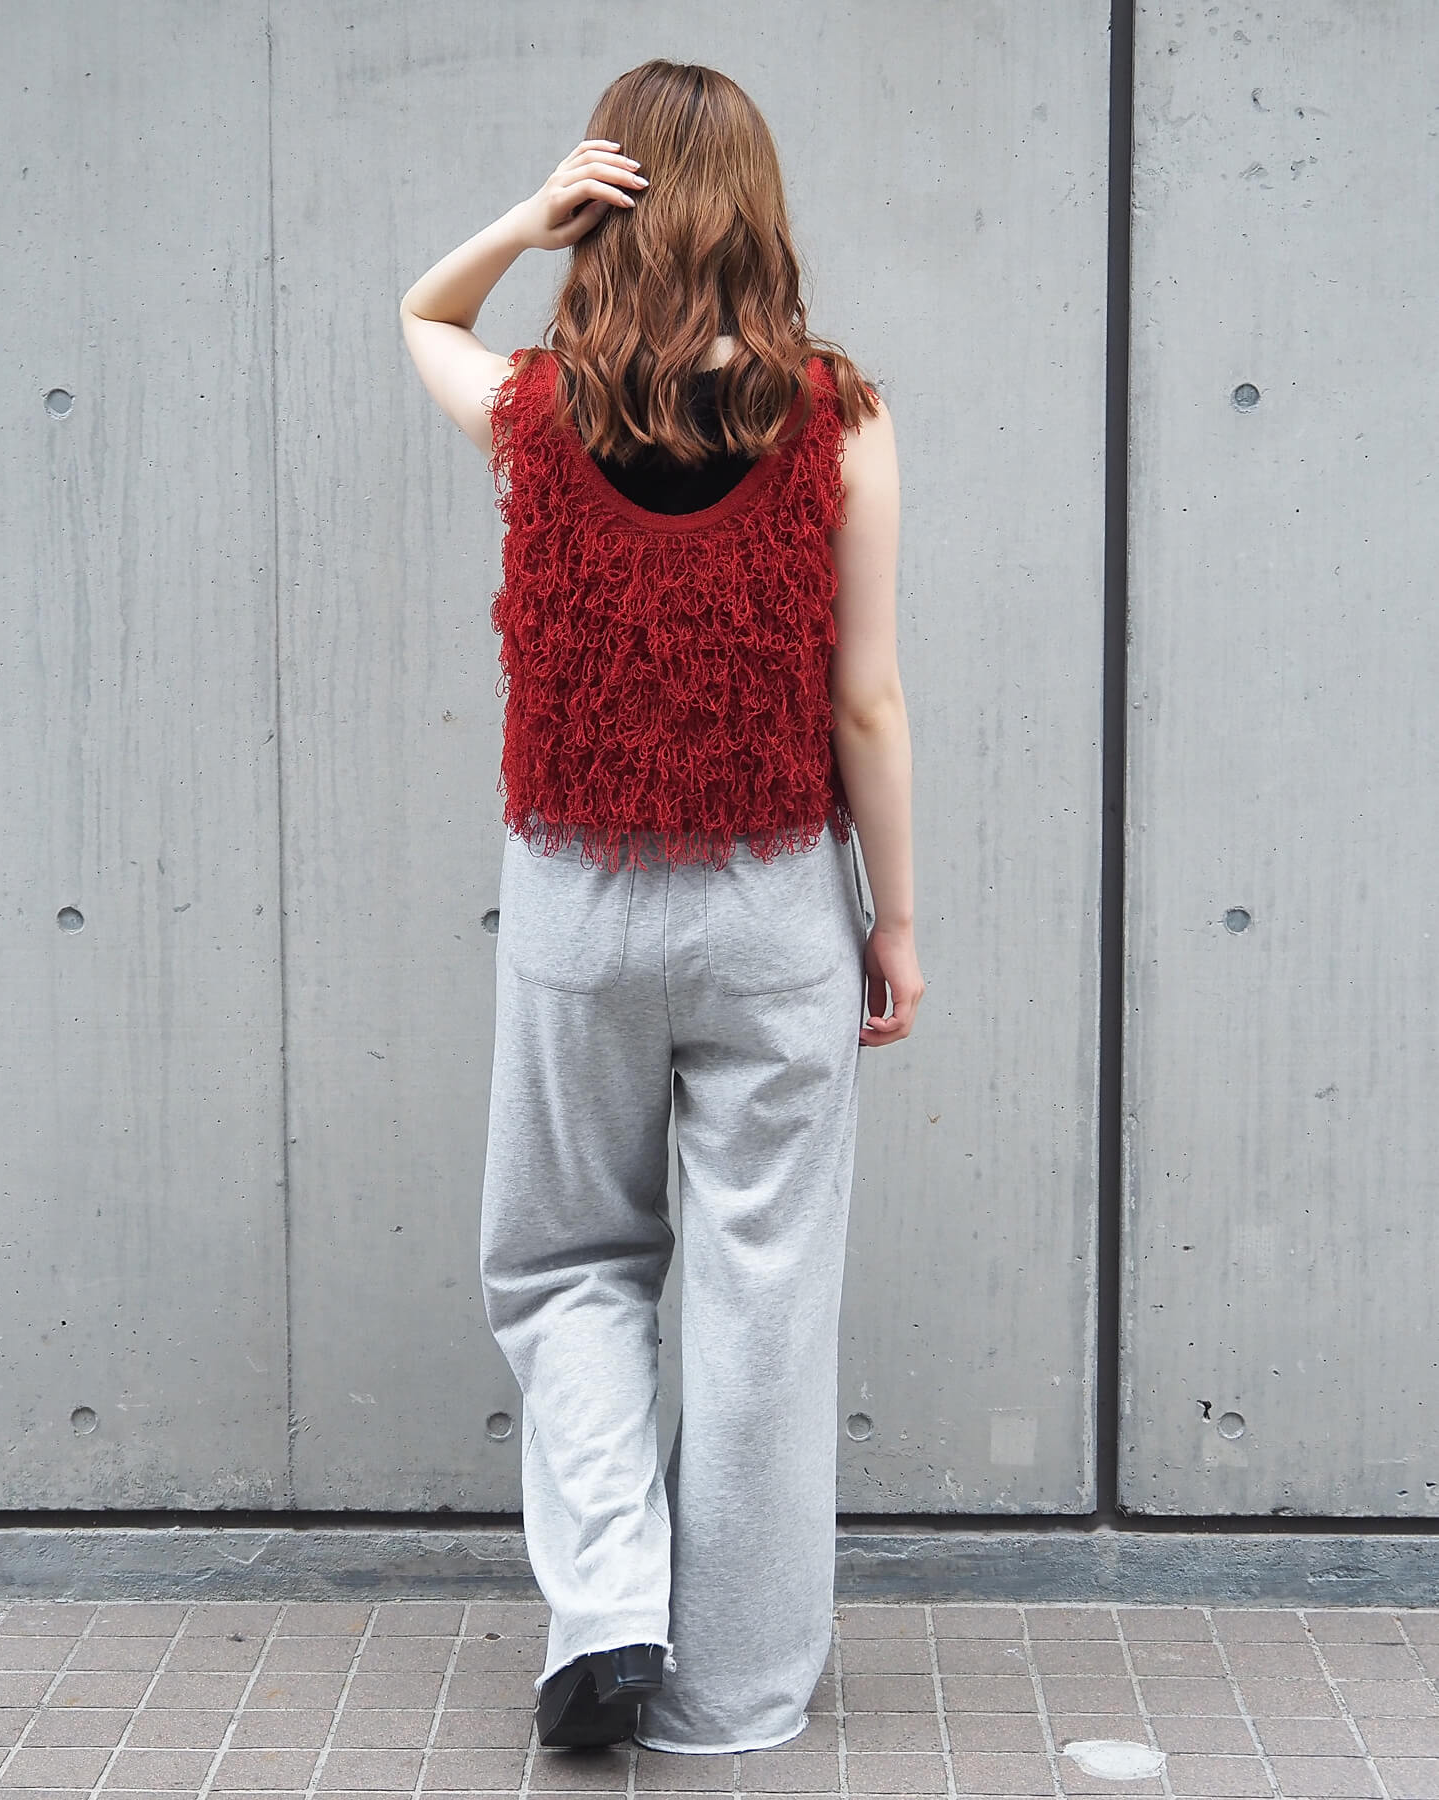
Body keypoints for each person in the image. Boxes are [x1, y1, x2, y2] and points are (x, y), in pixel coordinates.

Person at [399, 59, 922, 1760]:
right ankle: (732, 1697)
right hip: (772, 905)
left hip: (578, 898)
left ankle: (612, 1607)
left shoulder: (536, 412)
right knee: (766, 1297)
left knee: (566, 1263)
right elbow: (865, 703)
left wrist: (520, 223)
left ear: (604, 214)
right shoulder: (839, 417)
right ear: (760, 213)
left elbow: (421, 313)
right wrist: (893, 924)